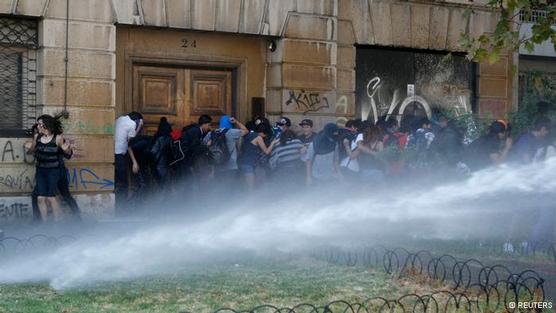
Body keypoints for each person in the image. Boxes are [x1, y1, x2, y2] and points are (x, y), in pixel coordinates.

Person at [30, 116, 81, 222]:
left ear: (46, 125)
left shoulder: (58, 139)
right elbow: (33, 149)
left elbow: (67, 154)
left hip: (57, 171)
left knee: (63, 195)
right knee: (37, 196)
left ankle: (77, 217)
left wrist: (67, 150)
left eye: (39, 125)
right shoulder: (38, 137)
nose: (38, 128)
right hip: (42, 171)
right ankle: (38, 221)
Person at [208, 115, 249, 185]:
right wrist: (236, 122)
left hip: (217, 166)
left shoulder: (212, 133)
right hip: (231, 166)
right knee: (231, 189)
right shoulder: (231, 132)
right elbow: (246, 131)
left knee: (219, 188)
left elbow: (206, 144)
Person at [114, 112, 143, 210]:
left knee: (117, 181)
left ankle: (118, 205)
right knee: (123, 183)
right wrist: (139, 126)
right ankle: (122, 208)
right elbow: (131, 141)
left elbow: (127, 143)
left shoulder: (120, 119)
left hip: (113, 154)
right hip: (119, 155)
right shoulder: (132, 124)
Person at [239, 122, 278, 191]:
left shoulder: (248, 134)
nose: (265, 136)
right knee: (251, 188)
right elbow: (266, 151)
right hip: (249, 164)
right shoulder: (258, 137)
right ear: (264, 132)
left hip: (243, 162)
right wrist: (273, 143)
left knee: (246, 186)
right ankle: (249, 200)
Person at [150, 117, 173, 188]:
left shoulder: (158, 137)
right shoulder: (170, 138)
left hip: (158, 164)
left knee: (161, 186)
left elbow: (153, 151)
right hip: (168, 165)